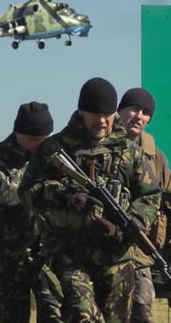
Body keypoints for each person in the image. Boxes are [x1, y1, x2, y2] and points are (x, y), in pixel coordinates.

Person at [19, 77, 161, 323]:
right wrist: (68, 196)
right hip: (70, 256)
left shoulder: (130, 151)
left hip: (117, 259)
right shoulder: (56, 148)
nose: (103, 121)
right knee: (83, 316)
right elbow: (28, 191)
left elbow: (150, 195)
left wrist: (135, 221)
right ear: (81, 111)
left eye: (107, 114)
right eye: (96, 114)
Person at [0, 101, 62, 323]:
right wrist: (33, 183)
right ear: (18, 133)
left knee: (56, 316)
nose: (39, 145)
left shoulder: (57, 158)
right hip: (7, 258)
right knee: (12, 318)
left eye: (44, 140)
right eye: (34, 140)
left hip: (48, 255)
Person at [117, 87, 171, 323]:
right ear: (120, 111)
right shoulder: (101, 146)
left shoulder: (156, 157)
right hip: (100, 249)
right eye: (133, 109)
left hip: (140, 252)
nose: (139, 116)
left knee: (142, 312)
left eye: (145, 112)